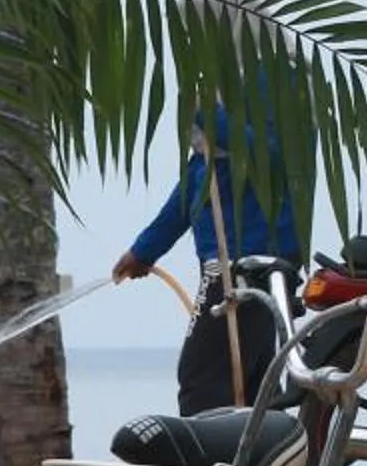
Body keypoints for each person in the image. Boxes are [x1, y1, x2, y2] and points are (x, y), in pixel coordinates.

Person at [112, 104, 302, 414]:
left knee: (203, 378)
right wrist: (144, 250)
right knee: (251, 378)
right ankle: (256, 458)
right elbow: (196, 182)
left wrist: (206, 113)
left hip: (248, 263)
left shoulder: (268, 86)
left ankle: (207, 460)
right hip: (233, 263)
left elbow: (267, 153)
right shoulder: (218, 102)